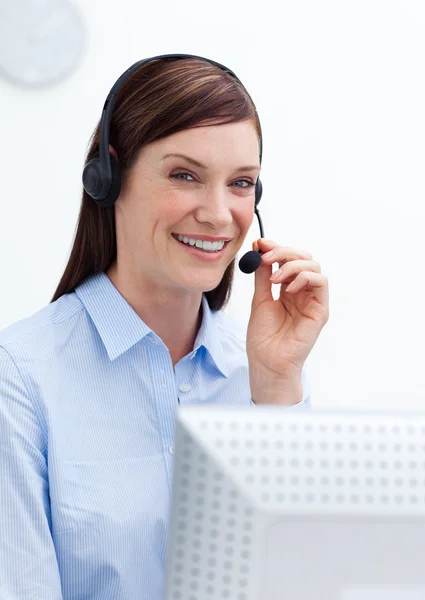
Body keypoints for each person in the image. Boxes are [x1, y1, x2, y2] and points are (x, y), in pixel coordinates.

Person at [0, 54, 329, 599]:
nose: (219, 214)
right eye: (185, 175)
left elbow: (306, 583)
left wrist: (276, 389)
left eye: (241, 183)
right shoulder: (22, 377)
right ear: (107, 178)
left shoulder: (266, 375)